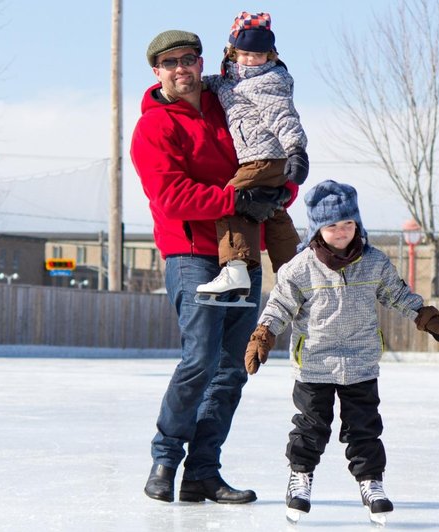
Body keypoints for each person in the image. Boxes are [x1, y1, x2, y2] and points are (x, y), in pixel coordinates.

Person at [130, 29, 292, 504]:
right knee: (199, 358)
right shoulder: (154, 127)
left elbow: (267, 155)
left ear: (203, 62)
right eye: (171, 62)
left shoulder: (229, 104)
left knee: (230, 369)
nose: (182, 68)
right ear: (157, 71)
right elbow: (171, 196)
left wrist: (275, 193)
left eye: (189, 59)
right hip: (193, 256)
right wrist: (235, 197)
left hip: (242, 251)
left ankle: (203, 470)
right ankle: (165, 458)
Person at [243, 180, 439, 524]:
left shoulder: (374, 262)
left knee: (364, 427)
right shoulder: (299, 268)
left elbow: (397, 294)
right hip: (314, 363)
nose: (341, 232)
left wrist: (425, 317)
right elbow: (280, 305)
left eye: (348, 224)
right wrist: (263, 334)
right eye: (332, 225)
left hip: (360, 361)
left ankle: (371, 482)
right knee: (311, 426)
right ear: (317, 228)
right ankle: (300, 478)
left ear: (357, 224)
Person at [195, 11, 308, 302]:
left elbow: (284, 116)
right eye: (244, 54)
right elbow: (217, 84)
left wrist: (296, 149)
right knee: (274, 213)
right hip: (263, 158)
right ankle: (295, 271)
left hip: (265, 157)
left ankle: (236, 268)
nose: (250, 60)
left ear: (269, 55)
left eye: (257, 55)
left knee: (230, 200)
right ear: (232, 52)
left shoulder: (269, 81)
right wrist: (194, 83)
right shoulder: (231, 80)